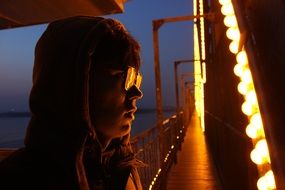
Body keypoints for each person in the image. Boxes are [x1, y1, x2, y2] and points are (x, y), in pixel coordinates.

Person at [0, 16, 144, 190]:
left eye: (135, 79)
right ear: (72, 83)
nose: (137, 93)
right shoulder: (19, 181)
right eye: (122, 76)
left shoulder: (120, 167)